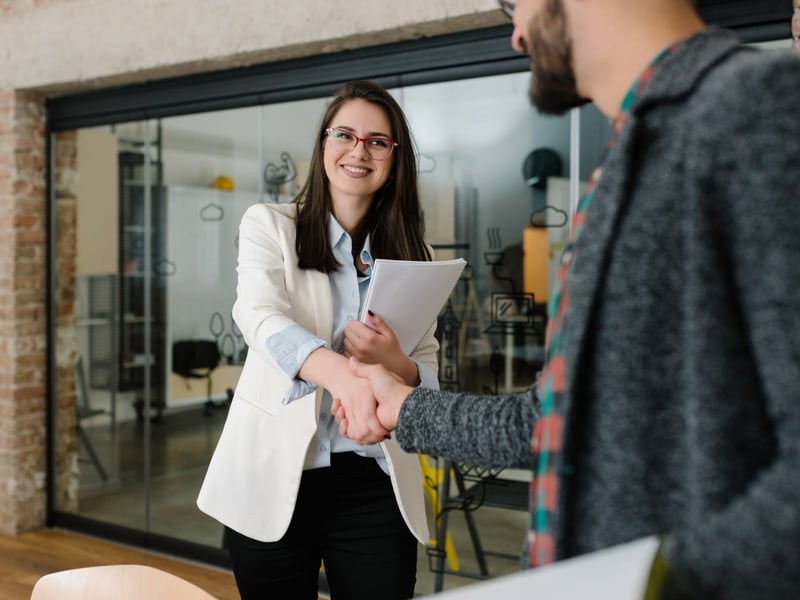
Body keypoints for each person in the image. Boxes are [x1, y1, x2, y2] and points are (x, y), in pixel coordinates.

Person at [333, 0, 800, 598]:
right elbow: (554, 419)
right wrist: (403, 406)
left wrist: (635, 587)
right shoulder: (628, 166)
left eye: (513, 4)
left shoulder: (763, 112)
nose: (517, 35)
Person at [197, 79, 439, 600]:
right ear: (323, 145)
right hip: (274, 476)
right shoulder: (270, 225)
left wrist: (396, 361)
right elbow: (258, 315)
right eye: (345, 134)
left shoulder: (417, 254)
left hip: (375, 482)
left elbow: (428, 377)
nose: (359, 150)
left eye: (378, 141)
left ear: (395, 160)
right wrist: (342, 377)